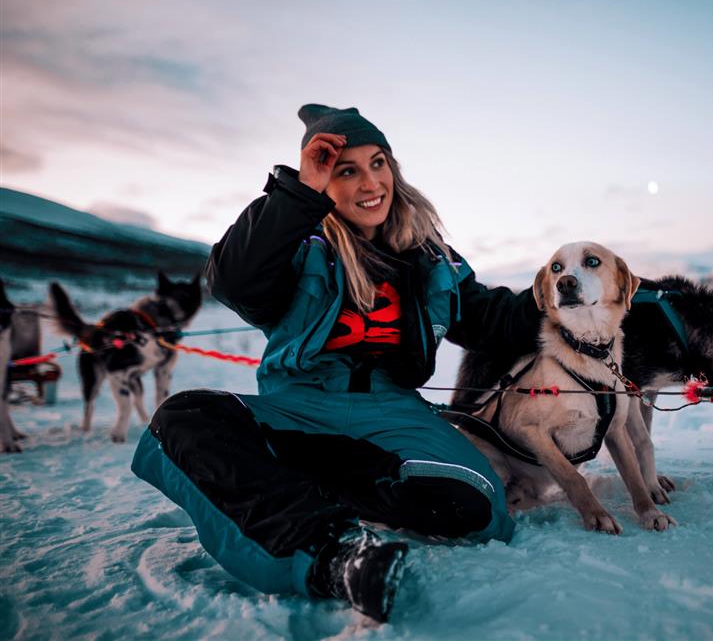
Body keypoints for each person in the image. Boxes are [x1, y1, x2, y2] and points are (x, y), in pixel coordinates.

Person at [131, 104, 541, 623]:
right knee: (184, 418)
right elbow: (233, 281)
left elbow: (492, 319)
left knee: (475, 499)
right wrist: (299, 192)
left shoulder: (432, 258)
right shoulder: (299, 243)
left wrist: (567, 294)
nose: (370, 183)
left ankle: (310, 487)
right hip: (299, 407)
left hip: (391, 412)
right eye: (347, 170)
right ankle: (331, 555)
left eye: (378, 163)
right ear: (323, 179)